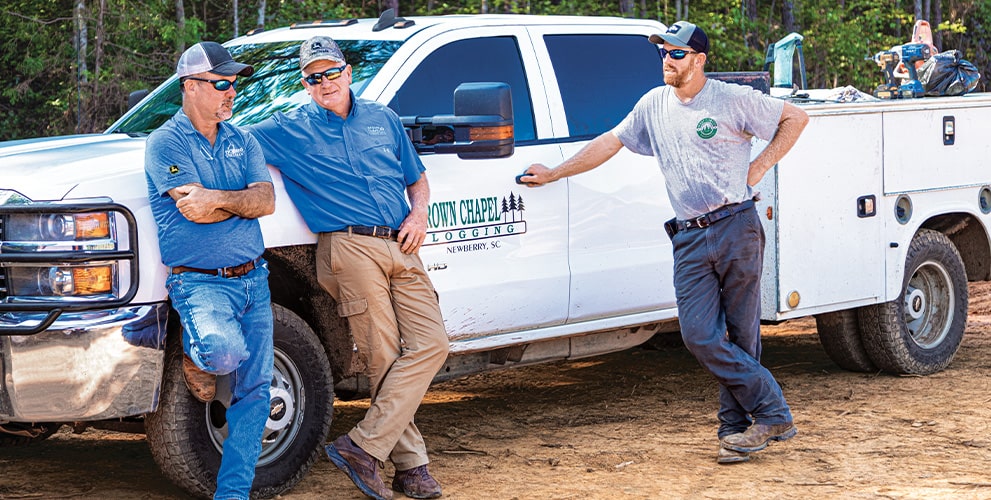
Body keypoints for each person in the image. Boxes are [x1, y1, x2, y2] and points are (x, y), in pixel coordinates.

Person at [520, 21, 809, 465]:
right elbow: (609, 142)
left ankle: (734, 432)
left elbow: (795, 117)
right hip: (690, 237)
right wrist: (556, 172)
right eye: (663, 53)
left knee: (742, 334)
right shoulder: (652, 105)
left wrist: (760, 166)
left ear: (699, 60)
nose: (667, 61)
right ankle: (774, 412)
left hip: (736, 227)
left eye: (676, 53)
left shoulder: (732, 99)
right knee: (699, 335)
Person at [249, 36, 449, 500]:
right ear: (305, 84)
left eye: (331, 72)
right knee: (381, 355)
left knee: (432, 344)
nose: (324, 83)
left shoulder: (383, 118)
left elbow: (415, 177)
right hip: (348, 247)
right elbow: (228, 139)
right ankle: (412, 466)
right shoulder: (288, 128)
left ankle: (362, 445)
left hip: (402, 242)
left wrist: (419, 214)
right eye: (313, 77)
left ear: (347, 72)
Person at [144, 41, 276, 499]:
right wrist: (241, 201)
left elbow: (267, 201)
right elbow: (192, 211)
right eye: (221, 83)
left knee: (256, 391)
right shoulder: (166, 142)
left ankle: (233, 493)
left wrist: (219, 197)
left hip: (254, 278)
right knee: (223, 354)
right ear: (190, 86)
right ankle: (198, 353)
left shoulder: (244, 139)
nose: (231, 91)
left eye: (234, 83)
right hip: (198, 282)